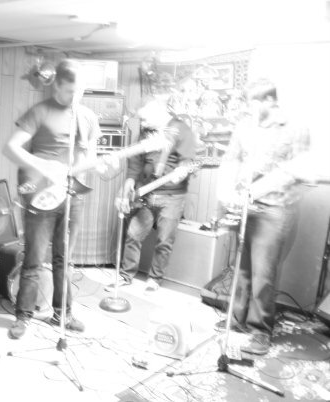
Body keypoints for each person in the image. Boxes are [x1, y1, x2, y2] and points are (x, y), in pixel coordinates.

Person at [3, 59, 112, 339]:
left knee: (65, 259)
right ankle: (23, 316)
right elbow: (11, 148)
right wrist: (44, 166)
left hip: (72, 194)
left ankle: (63, 314)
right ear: (57, 85)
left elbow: (89, 159)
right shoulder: (40, 111)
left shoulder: (87, 117)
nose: (75, 97)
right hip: (41, 192)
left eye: (80, 91)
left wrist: (99, 166)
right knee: (34, 257)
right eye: (70, 91)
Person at [216, 78, 314, 355]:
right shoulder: (245, 126)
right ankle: (237, 318)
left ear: (270, 100)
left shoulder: (295, 128)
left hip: (274, 208)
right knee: (242, 268)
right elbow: (232, 159)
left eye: (254, 103)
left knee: (264, 274)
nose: (249, 109)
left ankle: (260, 331)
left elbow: (298, 170)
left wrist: (259, 190)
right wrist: (226, 193)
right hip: (244, 206)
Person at [106, 97, 197, 293]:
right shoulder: (146, 132)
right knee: (133, 234)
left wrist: (182, 170)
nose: (143, 123)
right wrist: (130, 181)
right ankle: (126, 275)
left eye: (145, 118)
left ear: (157, 110)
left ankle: (155, 279)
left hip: (172, 197)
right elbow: (136, 162)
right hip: (146, 194)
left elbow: (188, 160)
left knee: (164, 240)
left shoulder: (182, 129)